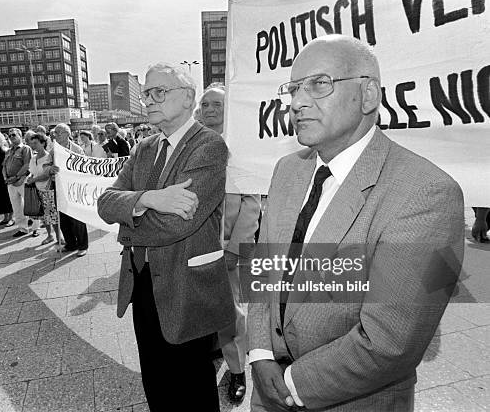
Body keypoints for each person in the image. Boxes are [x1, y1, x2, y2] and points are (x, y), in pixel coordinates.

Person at [248, 35, 464, 412]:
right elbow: (265, 270)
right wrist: (260, 352)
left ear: (368, 95)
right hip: (266, 393)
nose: (297, 102)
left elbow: (390, 341)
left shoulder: (427, 193)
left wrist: (291, 383)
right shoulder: (287, 171)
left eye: (319, 84)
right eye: (294, 89)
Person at [97, 63, 235, 412]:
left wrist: (128, 218)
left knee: (190, 386)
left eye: (160, 91)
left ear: (188, 98)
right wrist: (148, 199)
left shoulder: (209, 145)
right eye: (146, 93)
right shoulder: (145, 147)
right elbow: (104, 202)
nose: (150, 100)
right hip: (140, 281)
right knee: (155, 381)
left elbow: (177, 226)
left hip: (185, 284)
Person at [200, 83, 261, 403]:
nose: (209, 110)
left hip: (229, 247)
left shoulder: (242, 148)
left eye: (217, 105)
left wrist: (236, 247)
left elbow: (252, 203)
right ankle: (217, 349)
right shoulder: (195, 146)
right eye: (205, 104)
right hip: (197, 247)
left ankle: (238, 370)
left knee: (232, 313)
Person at [48, 123, 89, 257]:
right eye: (55, 133)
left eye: (59, 133)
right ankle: (71, 244)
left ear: (67, 134)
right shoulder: (54, 149)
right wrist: (50, 169)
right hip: (59, 187)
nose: (56, 135)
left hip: (73, 187)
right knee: (63, 217)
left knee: (77, 218)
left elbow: (84, 167)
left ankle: (82, 245)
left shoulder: (76, 149)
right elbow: (47, 166)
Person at [3, 128, 38, 238]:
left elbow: (27, 164)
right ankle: (22, 228)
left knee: (30, 205)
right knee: (16, 207)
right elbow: (4, 165)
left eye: (14, 135)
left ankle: (35, 228)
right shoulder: (8, 151)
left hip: (23, 180)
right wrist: (6, 177)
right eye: (9, 135)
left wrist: (17, 176)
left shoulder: (25, 149)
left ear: (20, 136)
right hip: (11, 183)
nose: (11, 137)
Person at [27, 132, 61, 244]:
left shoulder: (48, 157)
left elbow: (46, 175)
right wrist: (30, 178)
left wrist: (33, 179)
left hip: (48, 189)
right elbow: (33, 172)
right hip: (37, 190)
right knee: (43, 215)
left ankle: (58, 237)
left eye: (36, 143)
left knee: (52, 215)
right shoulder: (33, 158)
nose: (33, 145)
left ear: (43, 143)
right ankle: (49, 235)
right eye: (32, 143)